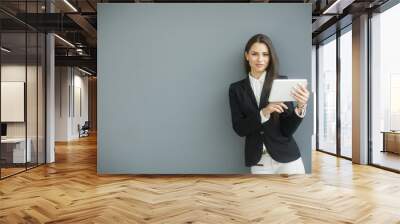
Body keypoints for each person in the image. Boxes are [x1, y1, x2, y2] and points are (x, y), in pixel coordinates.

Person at [228, 33, 310, 174]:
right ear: (246, 56)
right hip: (259, 162)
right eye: (255, 54)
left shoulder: (282, 83)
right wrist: (264, 113)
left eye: (265, 54)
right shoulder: (236, 89)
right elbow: (239, 129)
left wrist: (300, 106)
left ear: (270, 57)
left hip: (288, 159)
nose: (260, 59)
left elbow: (287, 130)